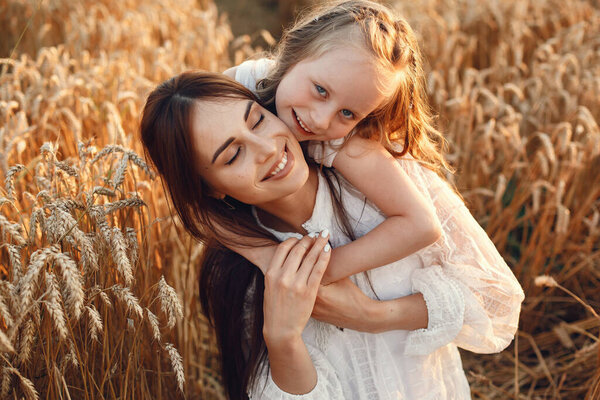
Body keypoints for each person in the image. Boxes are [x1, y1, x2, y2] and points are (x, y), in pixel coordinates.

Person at [139, 71, 525, 399]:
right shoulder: (240, 275)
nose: (266, 149)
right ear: (209, 189)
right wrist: (282, 338)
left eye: (257, 120)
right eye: (232, 155)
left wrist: (373, 316)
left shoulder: (383, 182)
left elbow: (497, 301)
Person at [222, 0, 445, 284]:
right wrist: (259, 254)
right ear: (294, 52)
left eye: (348, 113)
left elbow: (423, 225)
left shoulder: (342, 142)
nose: (321, 121)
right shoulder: (241, 84)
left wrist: (320, 273)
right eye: (320, 90)